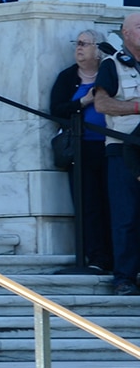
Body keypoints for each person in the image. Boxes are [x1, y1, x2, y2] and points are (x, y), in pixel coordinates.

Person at [50, 29, 117, 274]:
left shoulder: (111, 72)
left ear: (98, 49)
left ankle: (118, 257)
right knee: (88, 205)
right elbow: (56, 109)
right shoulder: (67, 77)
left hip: (111, 148)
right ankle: (97, 258)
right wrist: (84, 101)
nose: (78, 48)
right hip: (80, 151)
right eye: (76, 43)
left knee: (114, 204)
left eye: (84, 44)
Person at [86, 12, 140, 294]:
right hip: (124, 149)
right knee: (126, 215)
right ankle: (125, 278)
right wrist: (135, 107)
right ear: (126, 34)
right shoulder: (113, 64)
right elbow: (102, 104)